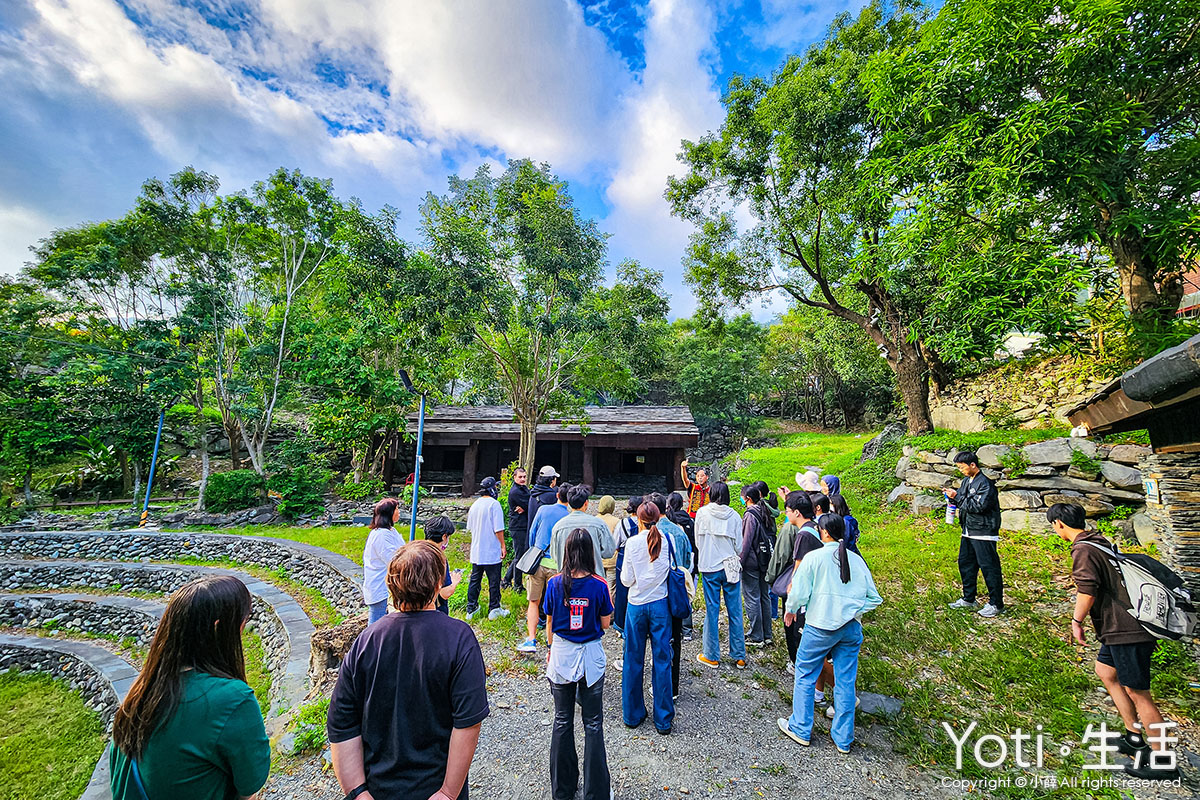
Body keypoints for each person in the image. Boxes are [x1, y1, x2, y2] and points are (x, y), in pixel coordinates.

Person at [329, 540, 489, 799]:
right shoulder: (459, 638)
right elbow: (468, 722)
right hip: (435, 787)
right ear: (438, 583)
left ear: (390, 584)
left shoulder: (366, 641)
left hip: (378, 787)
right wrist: (448, 792)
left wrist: (358, 792)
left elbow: (342, 723)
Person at [1049, 502, 1178, 781]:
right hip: (1116, 627)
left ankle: (1164, 760)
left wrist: (1076, 622)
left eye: (1054, 526)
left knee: (1139, 693)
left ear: (1059, 523)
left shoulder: (1082, 549)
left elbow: (1087, 590)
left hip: (1127, 629)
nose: (1055, 531)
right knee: (1106, 672)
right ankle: (1134, 736)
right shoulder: (1097, 540)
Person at [110, 576, 269, 800]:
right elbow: (250, 787)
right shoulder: (232, 700)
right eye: (243, 619)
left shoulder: (141, 692)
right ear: (219, 628)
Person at [779, 514, 882, 754]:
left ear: (824, 533)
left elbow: (799, 591)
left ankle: (801, 728)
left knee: (805, 673)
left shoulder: (814, 558)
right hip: (850, 629)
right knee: (846, 681)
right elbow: (874, 597)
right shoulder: (855, 560)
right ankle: (843, 738)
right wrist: (853, 610)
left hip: (820, 625)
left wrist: (791, 610)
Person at [543, 529, 614, 800]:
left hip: (562, 653)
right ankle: (596, 792)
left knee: (562, 720)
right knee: (593, 723)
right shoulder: (599, 585)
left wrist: (550, 649)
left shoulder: (555, 583)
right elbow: (606, 622)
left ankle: (562, 789)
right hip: (590, 656)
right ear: (589, 553)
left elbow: (549, 622)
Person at [621, 502, 675, 734]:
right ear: (659, 517)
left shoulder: (632, 543)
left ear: (638, 519)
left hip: (637, 604)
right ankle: (663, 719)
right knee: (662, 660)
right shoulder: (668, 540)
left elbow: (625, 580)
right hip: (660, 604)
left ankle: (632, 714)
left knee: (632, 659)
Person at [767, 491, 822, 672]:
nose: (786, 514)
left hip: (802, 596)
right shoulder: (816, 527)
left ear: (797, 512)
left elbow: (797, 572)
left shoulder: (802, 535)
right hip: (816, 590)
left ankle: (800, 666)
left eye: (788, 510)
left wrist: (791, 605)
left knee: (796, 632)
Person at [946, 450, 1004, 618]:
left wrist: (957, 497)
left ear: (973, 465)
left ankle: (996, 603)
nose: (961, 470)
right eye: (958, 467)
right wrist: (952, 497)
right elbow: (962, 501)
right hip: (968, 531)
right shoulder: (966, 481)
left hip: (984, 532)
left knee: (989, 567)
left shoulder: (985, 484)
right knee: (966, 564)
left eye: (962, 467)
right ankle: (968, 598)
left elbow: (978, 507)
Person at [694, 482, 746, 669]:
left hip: (710, 566)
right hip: (730, 566)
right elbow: (739, 546)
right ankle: (739, 655)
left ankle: (711, 654)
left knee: (712, 610)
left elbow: (698, 541)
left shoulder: (702, 513)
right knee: (735, 610)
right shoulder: (735, 516)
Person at [649, 492, 694, 696]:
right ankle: (673, 687)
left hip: (656, 593)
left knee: (658, 641)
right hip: (676, 591)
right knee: (674, 638)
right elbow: (688, 562)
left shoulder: (651, 532)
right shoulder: (679, 531)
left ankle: (659, 684)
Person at [519, 483, 571, 653]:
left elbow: (532, 533)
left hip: (539, 561)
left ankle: (531, 639)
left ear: (557, 495)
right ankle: (552, 643)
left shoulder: (543, 510)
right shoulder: (569, 517)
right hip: (558, 566)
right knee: (555, 604)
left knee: (533, 602)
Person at [465, 477, 509, 621]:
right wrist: (503, 545)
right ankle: (494, 608)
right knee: (494, 580)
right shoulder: (494, 505)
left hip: (477, 549)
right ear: (492, 489)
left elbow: (470, 528)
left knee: (475, 579)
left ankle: (471, 608)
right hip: (491, 548)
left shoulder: (475, 504)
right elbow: (498, 529)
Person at [551, 484, 616, 577]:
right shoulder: (599, 524)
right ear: (586, 503)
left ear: (569, 503)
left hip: (566, 579)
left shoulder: (558, 526)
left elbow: (555, 555)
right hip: (594, 578)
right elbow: (609, 552)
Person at [740, 485, 774, 648]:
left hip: (752, 561)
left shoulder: (750, 515)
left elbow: (746, 542)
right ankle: (767, 634)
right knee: (764, 596)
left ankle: (756, 636)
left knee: (752, 597)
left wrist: (740, 561)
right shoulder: (763, 510)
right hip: (764, 559)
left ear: (747, 498)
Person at [363, 497, 404, 624]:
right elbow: (394, 560)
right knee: (376, 624)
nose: (399, 512)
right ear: (389, 513)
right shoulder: (381, 535)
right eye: (396, 509)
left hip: (387, 586)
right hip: (379, 587)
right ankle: (371, 644)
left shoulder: (391, 531)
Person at [612, 496, 642, 636]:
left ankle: (620, 624)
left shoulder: (622, 523)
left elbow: (615, 543)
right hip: (641, 556)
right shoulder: (646, 522)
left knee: (622, 592)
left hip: (624, 557)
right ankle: (638, 624)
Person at [424, 515, 463, 614]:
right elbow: (444, 593)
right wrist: (454, 581)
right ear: (444, 536)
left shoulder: (417, 553)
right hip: (435, 612)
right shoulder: (439, 558)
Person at [502, 467, 531, 592]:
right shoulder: (515, 492)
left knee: (520, 554)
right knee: (520, 556)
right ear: (514, 477)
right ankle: (517, 585)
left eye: (524, 477)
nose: (523, 479)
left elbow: (529, 502)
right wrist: (527, 507)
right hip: (518, 526)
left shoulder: (524, 489)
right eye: (520, 477)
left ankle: (507, 580)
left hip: (523, 524)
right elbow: (529, 503)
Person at [596, 495, 621, 587]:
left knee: (598, 586)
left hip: (597, 559)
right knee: (611, 589)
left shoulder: (594, 520)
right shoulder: (617, 521)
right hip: (612, 560)